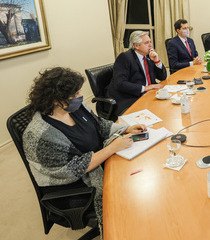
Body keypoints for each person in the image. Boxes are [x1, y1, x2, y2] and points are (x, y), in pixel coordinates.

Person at [23, 67, 147, 233]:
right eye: (74, 94)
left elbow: (100, 125)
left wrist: (126, 129)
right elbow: (71, 170)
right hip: (74, 188)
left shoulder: (74, 107)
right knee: (131, 197)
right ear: (55, 100)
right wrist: (111, 149)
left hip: (98, 160)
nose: (79, 97)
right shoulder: (41, 135)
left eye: (79, 91)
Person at [107, 30, 167, 115]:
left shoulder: (148, 57)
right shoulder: (125, 57)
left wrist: (157, 61)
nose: (150, 45)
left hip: (148, 94)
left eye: (150, 42)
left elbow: (162, 77)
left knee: (166, 108)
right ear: (136, 46)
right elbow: (120, 84)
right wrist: (145, 88)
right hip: (129, 98)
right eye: (146, 43)